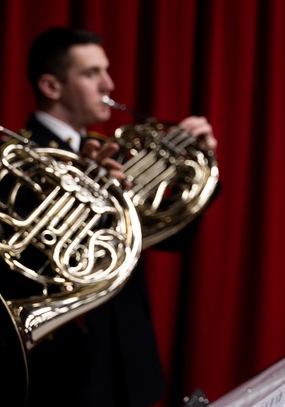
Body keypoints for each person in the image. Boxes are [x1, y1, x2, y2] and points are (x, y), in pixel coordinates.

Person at [22, 26, 218, 407]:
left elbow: (169, 236)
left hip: (131, 359)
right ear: (50, 86)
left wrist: (198, 166)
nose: (108, 84)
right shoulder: (21, 159)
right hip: (70, 373)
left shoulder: (109, 153)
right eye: (91, 73)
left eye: (105, 70)